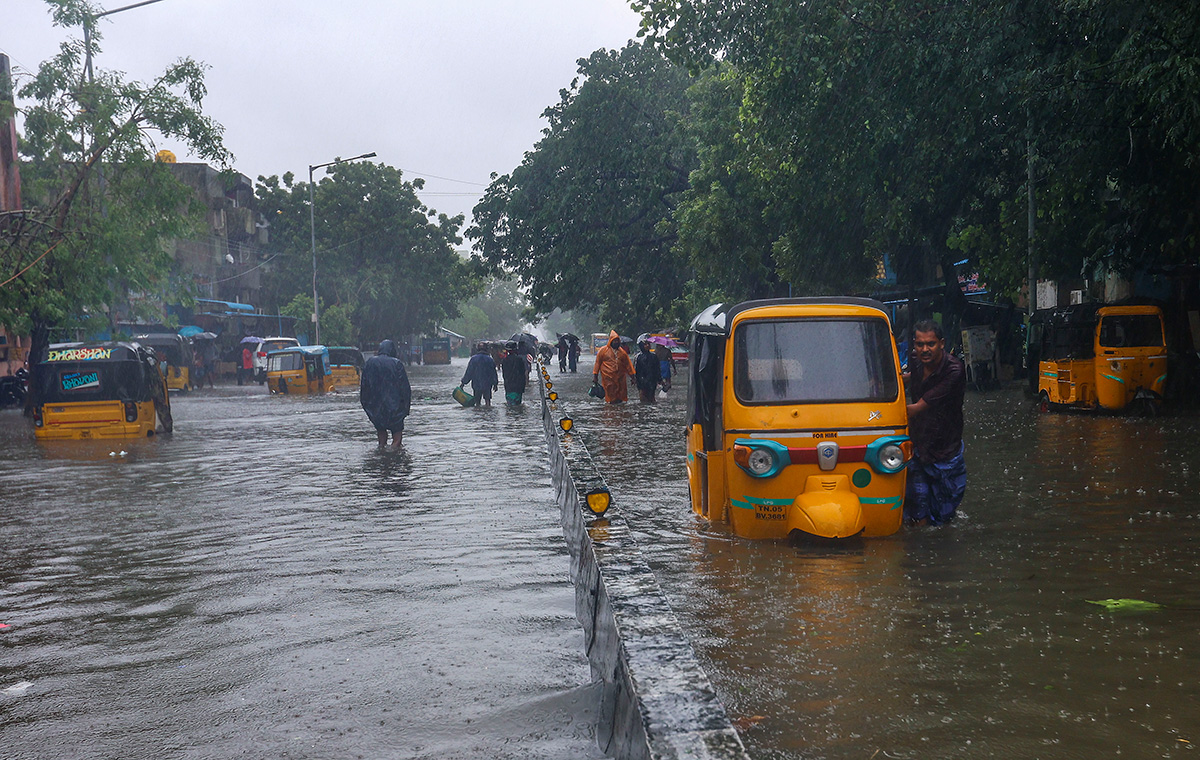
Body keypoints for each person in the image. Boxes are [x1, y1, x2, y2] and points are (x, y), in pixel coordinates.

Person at [904, 319, 967, 525]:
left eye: (930, 344)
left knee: (942, 517)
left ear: (941, 343)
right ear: (914, 344)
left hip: (945, 450)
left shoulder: (954, 370)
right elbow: (913, 377)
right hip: (919, 445)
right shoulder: (915, 360)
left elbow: (918, 407)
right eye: (920, 344)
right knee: (916, 511)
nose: (925, 349)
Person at [360, 339, 411, 449]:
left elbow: (364, 387)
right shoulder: (397, 363)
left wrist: (367, 406)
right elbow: (405, 389)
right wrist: (406, 408)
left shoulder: (369, 363)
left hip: (376, 408)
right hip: (395, 408)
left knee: (381, 439)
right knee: (397, 439)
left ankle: (382, 457)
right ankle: (392, 457)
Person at [592, 330, 635, 403]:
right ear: (610, 341)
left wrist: (633, 377)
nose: (616, 342)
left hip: (620, 377)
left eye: (617, 341)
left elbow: (628, 365)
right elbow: (597, 364)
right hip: (608, 377)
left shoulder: (622, 352)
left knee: (621, 394)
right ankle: (611, 409)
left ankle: (618, 410)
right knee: (610, 394)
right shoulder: (603, 350)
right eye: (614, 341)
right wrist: (595, 376)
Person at [461, 342, 498, 407]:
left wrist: (463, 383)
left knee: (477, 403)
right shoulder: (490, 359)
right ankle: (488, 413)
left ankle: (478, 415)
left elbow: (469, 372)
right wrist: (495, 384)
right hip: (487, 385)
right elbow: (493, 373)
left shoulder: (473, 359)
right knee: (488, 402)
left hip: (476, 384)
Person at [633, 336, 662, 403]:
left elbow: (657, 369)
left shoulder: (654, 356)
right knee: (643, 398)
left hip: (652, 380)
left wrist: (659, 379)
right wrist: (634, 379)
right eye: (645, 344)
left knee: (651, 398)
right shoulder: (638, 357)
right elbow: (636, 370)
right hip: (641, 380)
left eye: (648, 344)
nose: (647, 345)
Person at [501, 340, 528, 406]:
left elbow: (504, 373)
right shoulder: (519, 359)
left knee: (510, 404)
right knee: (517, 404)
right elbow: (523, 372)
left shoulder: (505, 360)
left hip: (509, 385)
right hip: (518, 385)